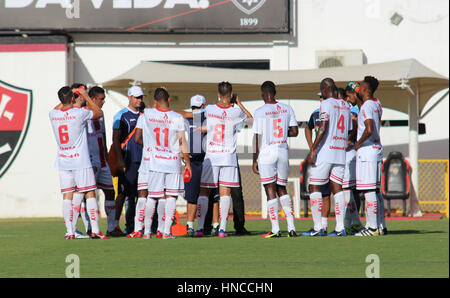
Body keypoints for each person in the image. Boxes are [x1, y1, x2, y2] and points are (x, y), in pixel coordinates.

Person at [194, 82, 253, 238]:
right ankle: (222, 229)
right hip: (228, 157)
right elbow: (252, 120)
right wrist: (239, 103)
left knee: (204, 192)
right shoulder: (236, 112)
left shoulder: (210, 109)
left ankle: (200, 228)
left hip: (211, 156)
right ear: (232, 95)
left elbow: (190, 115)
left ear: (218, 94)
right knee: (225, 193)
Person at [49, 86, 108, 239]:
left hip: (63, 161)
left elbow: (59, 106)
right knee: (89, 192)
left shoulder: (53, 114)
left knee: (67, 196)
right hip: (80, 161)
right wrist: (86, 96)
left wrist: (68, 98)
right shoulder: (79, 113)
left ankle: (70, 232)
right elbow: (98, 113)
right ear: (73, 98)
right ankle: (95, 230)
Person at [134, 87, 192, 239]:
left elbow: (143, 111)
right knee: (171, 197)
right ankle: (166, 232)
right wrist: (188, 164)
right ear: (169, 99)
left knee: (152, 197)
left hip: (155, 162)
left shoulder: (148, 114)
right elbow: (182, 141)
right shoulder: (177, 118)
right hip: (172, 162)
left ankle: (146, 232)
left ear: (155, 101)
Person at [301, 78, 352, 237]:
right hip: (340, 153)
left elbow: (322, 127)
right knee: (337, 189)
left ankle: (317, 228)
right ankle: (340, 228)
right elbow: (349, 130)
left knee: (314, 187)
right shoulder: (345, 106)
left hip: (326, 152)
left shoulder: (326, 104)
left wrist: (313, 149)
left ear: (324, 89)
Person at [252, 81, 299, 238]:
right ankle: (292, 228)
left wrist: (254, 159)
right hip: (282, 151)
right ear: (275, 92)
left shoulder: (260, 111)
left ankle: (275, 229)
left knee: (270, 189)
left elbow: (257, 137)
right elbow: (294, 131)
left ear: (263, 94)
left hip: (267, 153)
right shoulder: (287, 108)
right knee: (282, 189)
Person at [353, 76, 387, 236]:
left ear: (366, 89)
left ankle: (372, 227)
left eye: (360, 86)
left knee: (368, 191)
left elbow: (368, 128)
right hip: (376, 149)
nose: (358, 88)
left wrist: (358, 143)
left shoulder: (367, 106)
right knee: (376, 190)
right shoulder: (377, 103)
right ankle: (381, 226)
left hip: (367, 151)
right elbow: (366, 113)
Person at [112, 86, 144, 235]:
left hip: (144, 159)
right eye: (136, 97)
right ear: (129, 97)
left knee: (142, 194)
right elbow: (116, 139)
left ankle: (136, 226)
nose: (139, 100)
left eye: (141, 97)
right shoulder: (121, 115)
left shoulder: (144, 114)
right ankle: (115, 225)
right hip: (128, 159)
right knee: (124, 194)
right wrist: (120, 160)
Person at [304, 92, 332, 234]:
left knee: (327, 192)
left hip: (330, 154)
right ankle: (319, 226)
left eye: (324, 97)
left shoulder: (333, 111)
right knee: (316, 188)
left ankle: (323, 225)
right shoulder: (315, 113)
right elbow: (307, 128)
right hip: (319, 156)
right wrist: (312, 147)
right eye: (320, 97)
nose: (322, 100)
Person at [183, 94, 207, 236]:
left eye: (199, 107)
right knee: (191, 196)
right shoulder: (188, 117)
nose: (196, 110)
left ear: (204, 106)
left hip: (208, 159)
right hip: (192, 161)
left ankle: (209, 226)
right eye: (194, 108)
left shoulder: (209, 117)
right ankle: (190, 226)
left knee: (211, 196)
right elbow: (176, 113)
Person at [343, 82, 364, 233]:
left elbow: (357, 126)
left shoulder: (358, 109)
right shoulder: (355, 108)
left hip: (355, 153)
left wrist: (350, 141)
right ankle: (353, 222)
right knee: (351, 189)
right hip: (353, 153)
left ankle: (353, 223)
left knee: (354, 190)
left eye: (347, 95)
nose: (347, 99)